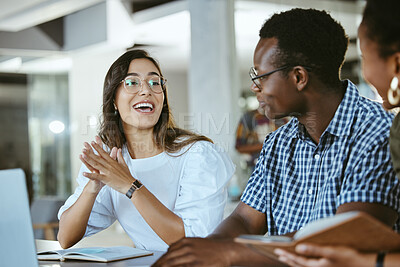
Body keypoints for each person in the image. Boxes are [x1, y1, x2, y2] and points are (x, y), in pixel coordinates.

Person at [153, 8, 400, 267]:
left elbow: (347, 240)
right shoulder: (277, 143)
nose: (254, 87)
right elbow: (246, 220)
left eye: (260, 76)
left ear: (298, 77)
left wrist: (228, 254)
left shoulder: (378, 132)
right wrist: (203, 249)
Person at [57, 49, 235, 251]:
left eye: (154, 82)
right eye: (132, 83)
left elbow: (195, 241)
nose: (146, 90)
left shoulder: (197, 155)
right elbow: (65, 237)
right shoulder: (111, 158)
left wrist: (129, 185)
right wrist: (92, 186)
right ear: (113, 100)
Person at [274, 1, 400, 267]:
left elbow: (355, 236)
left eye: (365, 57)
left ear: (397, 65)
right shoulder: (279, 140)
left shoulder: (382, 129)